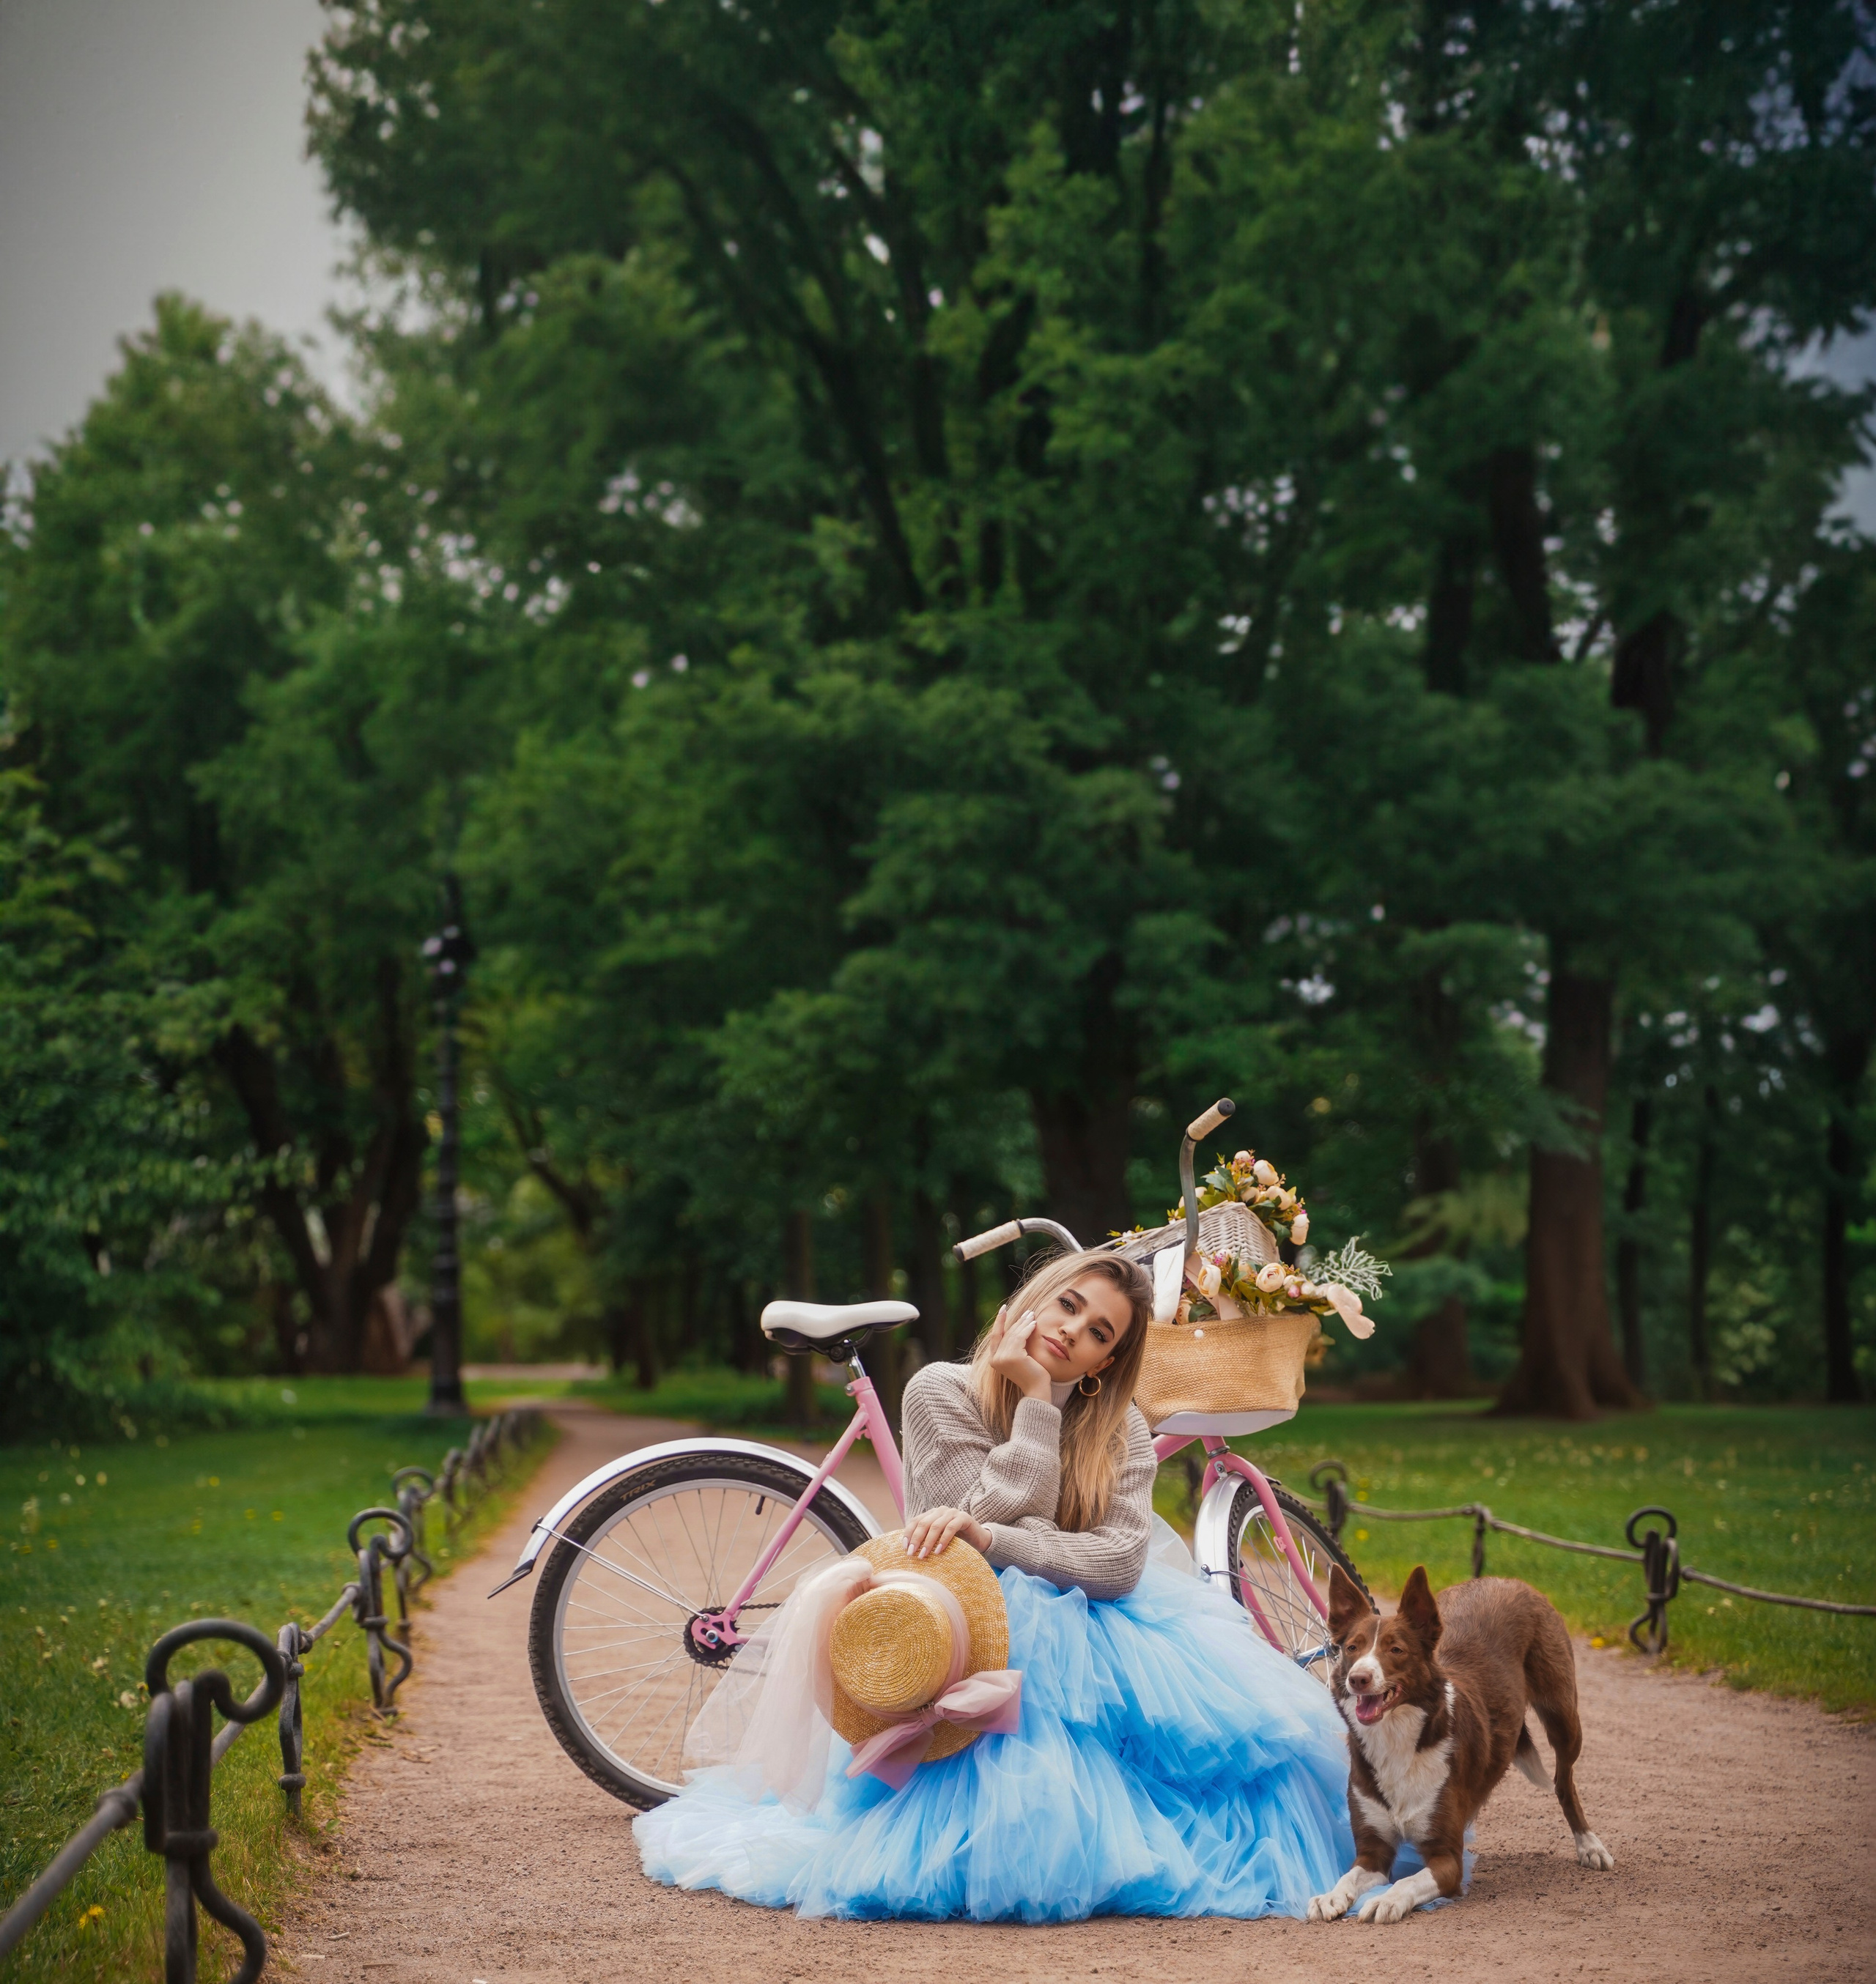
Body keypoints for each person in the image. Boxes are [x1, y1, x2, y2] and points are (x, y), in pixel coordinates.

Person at [633, 1247, 1354, 1922]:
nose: (1072, 1329)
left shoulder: (1121, 1427)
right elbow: (961, 1524)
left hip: (1095, 1629)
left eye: (1098, 1329)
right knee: (1017, 1702)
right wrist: (1036, 1403)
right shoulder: (939, 1389)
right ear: (1034, 1298)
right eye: (1066, 1304)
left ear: (1108, 1357)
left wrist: (1006, 1538)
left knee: (1240, 1774)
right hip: (966, 1620)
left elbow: (1113, 1563)